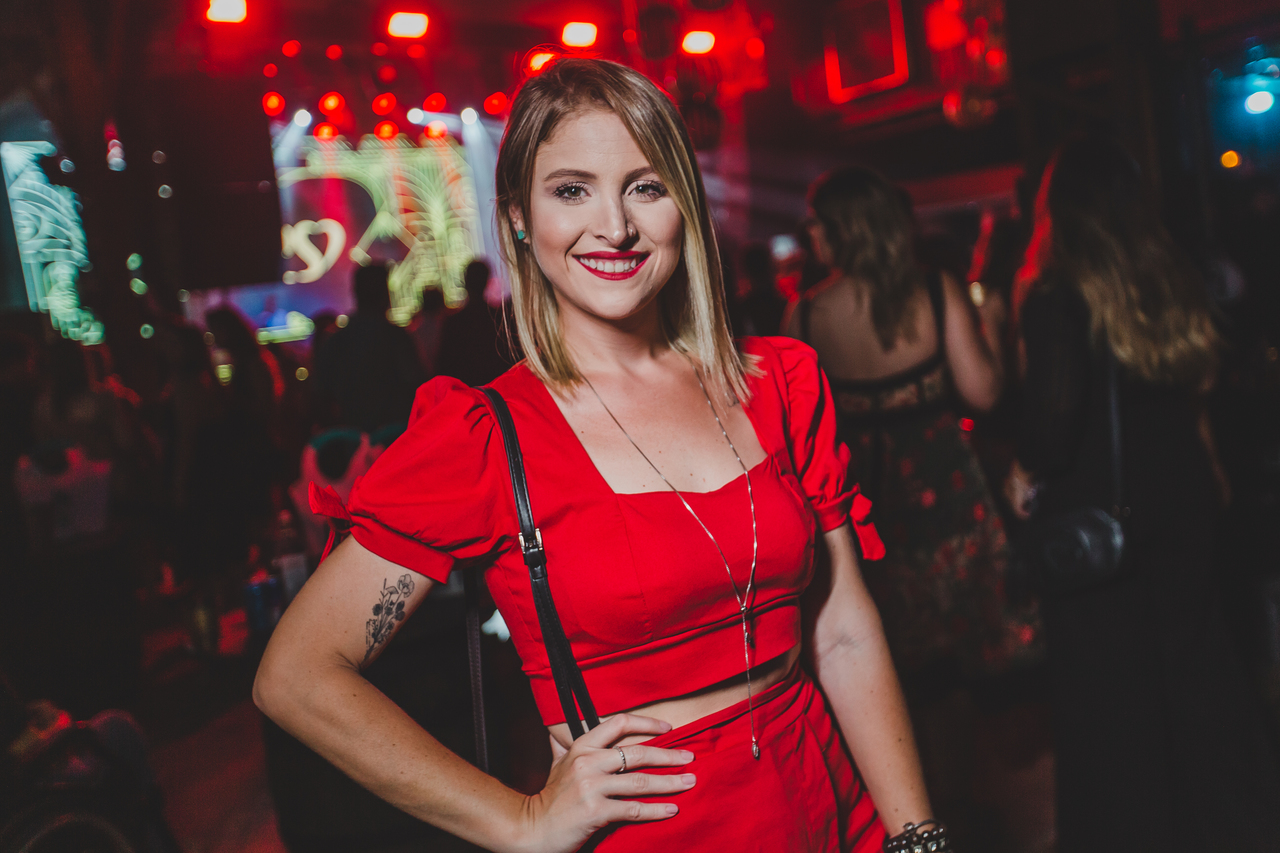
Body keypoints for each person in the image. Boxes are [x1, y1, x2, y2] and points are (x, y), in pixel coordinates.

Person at [255, 58, 938, 853]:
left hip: (834, 806)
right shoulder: (485, 438)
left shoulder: (779, 382)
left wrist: (917, 835)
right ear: (518, 216)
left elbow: (843, 629)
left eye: (646, 187)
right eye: (572, 190)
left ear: (686, 203)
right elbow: (297, 674)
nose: (614, 227)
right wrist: (518, 820)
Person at [1006, 136, 1280, 853]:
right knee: (1198, 674)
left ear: (1058, 208)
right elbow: (1198, 387)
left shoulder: (1058, 293)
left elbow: (1055, 420)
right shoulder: (1169, 275)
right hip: (1179, 495)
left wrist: (1021, 469)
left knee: (1111, 699)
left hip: (1103, 516)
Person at [313, 264, 426, 432]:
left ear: (355, 293)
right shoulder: (397, 338)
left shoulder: (335, 342)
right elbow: (417, 387)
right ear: (384, 294)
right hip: (395, 436)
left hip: (351, 439)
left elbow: (320, 396)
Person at [436, 259, 513, 387]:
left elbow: (445, 365)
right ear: (487, 281)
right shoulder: (498, 318)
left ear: (466, 282)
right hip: (497, 389)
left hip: (469, 389)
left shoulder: (455, 322)